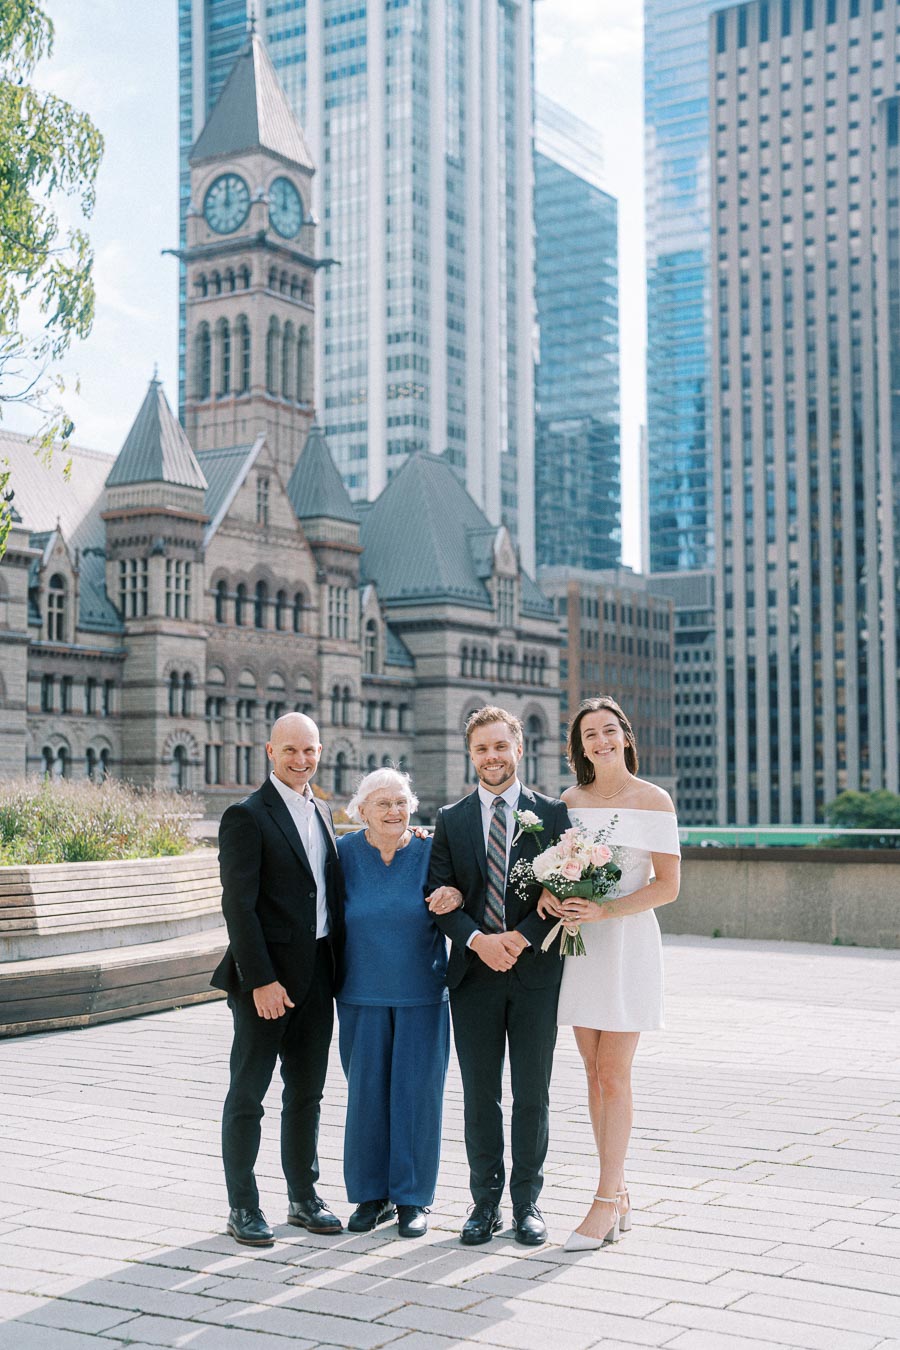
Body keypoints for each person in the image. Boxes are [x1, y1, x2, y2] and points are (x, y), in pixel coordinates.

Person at [428, 706, 572, 1246]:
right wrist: (479, 941)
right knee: (480, 1094)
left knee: (532, 1093)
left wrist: (521, 938)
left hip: (535, 974)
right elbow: (439, 898)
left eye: (500, 746)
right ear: (472, 756)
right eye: (482, 749)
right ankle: (483, 1204)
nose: (492, 757)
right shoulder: (451, 818)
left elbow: (566, 888)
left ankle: (528, 1203)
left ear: (518, 749)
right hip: (473, 976)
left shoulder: (552, 814)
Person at [541, 696, 680, 1252]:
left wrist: (607, 909)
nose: (599, 741)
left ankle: (604, 1199)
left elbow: (667, 886)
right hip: (578, 947)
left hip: (625, 942)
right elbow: (550, 868)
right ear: (579, 747)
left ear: (624, 735)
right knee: (592, 1073)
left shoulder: (655, 800)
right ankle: (618, 1192)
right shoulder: (568, 801)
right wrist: (553, 891)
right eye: (588, 735)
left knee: (614, 1075)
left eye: (607, 731)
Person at [211, 712, 345, 1247]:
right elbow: (238, 908)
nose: (301, 760)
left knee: (307, 1095)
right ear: (271, 752)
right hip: (265, 982)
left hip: (318, 976)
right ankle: (242, 1206)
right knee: (248, 1094)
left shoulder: (324, 811)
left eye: (309, 750)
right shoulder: (246, 816)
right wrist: (261, 980)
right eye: (290, 750)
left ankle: (303, 1197)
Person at [335, 767, 462, 1239]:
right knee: (366, 1095)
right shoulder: (342, 853)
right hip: (360, 992)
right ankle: (371, 1196)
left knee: (416, 1097)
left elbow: (461, 894)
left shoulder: (432, 851)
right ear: (361, 810)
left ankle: (411, 1199)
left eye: (401, 802)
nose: (394, 811)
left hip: (422, 993)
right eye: (383, 803)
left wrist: (454, 892)